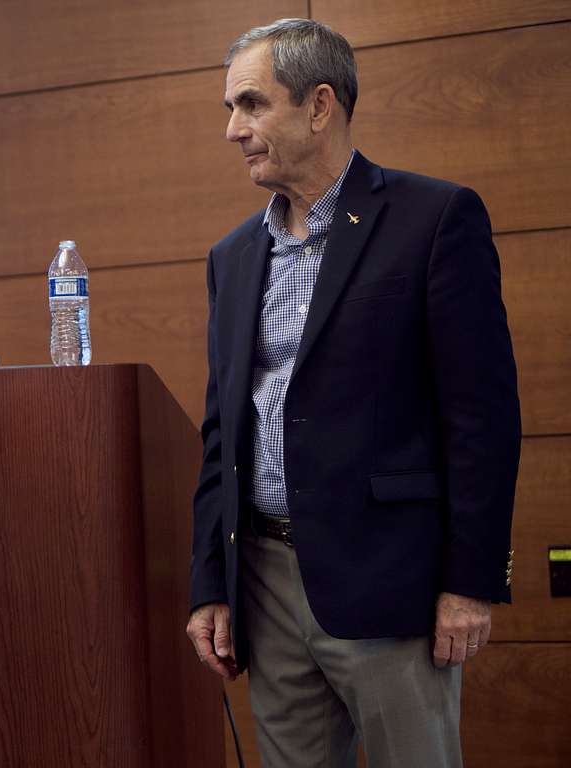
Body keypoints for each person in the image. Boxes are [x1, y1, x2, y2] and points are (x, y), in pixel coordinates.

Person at [185, 19, 520, 766]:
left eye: (250, 104)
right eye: (229, 110)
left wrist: (470, 584)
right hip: (266, 583)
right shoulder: (233, 256)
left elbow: (482, 418)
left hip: (391, 581)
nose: (234, 130)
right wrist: (212, 583)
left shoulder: (434, 220)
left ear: (319, 104)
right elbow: (222, 434)